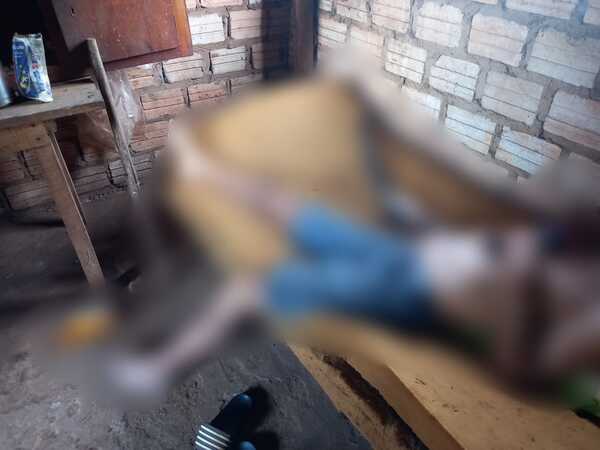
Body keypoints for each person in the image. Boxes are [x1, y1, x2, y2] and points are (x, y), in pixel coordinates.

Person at [105, 123, 600, 405]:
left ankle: (158, 367)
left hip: (414, 293)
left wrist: (517, 283)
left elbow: (519, 365)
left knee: (250, 288)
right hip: (416, 254)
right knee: (292, 206)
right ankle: (204, 172)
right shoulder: (566, 239)